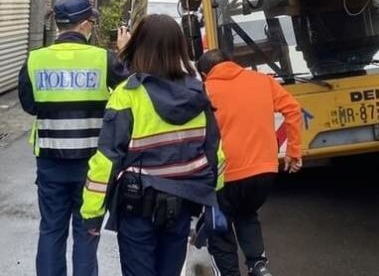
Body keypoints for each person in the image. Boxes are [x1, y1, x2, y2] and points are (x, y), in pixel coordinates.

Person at [80, 14, 225, 276]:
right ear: (179, 48)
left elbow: (105, 161)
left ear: (139, 46)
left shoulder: (128, 94)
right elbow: (215, 152)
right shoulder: (197, 91)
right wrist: (212, 200)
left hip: (137, 210)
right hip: (182, 205)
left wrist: (92, 214)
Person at [18, 0, 129, 276]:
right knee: (86, 233)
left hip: (50, 163)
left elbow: (29, 105)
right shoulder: (104, 60)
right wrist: (124, 53)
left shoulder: (35, 60)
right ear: (84, 25)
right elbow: (129, 96)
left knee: (51, 230)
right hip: (91, 165)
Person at [196, 49, 303, 276]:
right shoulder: (263, 81)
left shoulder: (204, 91)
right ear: (231, 63)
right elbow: (293, 109)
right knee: (246, 213)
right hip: (264, 172)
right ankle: (258, 265)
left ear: (205, 74)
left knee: (220, 230)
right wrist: (293, 151)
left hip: (225, 176)